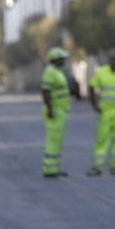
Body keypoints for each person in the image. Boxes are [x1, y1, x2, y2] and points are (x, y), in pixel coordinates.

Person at [40, 47, 76, 178]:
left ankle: (53, 168)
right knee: (53, 140)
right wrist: (50, 109)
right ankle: (49, 169)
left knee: (57, 140)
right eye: (62, 59)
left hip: (60, 110)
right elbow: (45, 92)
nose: (64, 61)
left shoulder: (57, 71)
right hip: (54, 110)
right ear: (56, 60)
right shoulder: (50, 72)